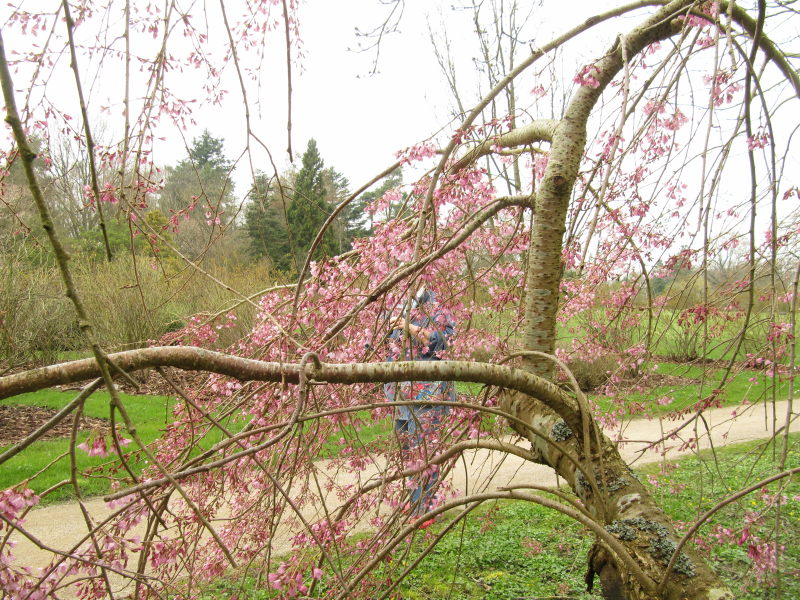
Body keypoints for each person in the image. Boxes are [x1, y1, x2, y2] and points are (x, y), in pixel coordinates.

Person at [384, 286, 455, 520]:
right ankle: (414, 501)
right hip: (400, 396)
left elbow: (443, 343)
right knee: (407, 453)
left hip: (428, 395)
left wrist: (410, 328)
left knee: (425, 453)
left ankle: (425, 511)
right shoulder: (396, 303)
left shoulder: (438, 306)